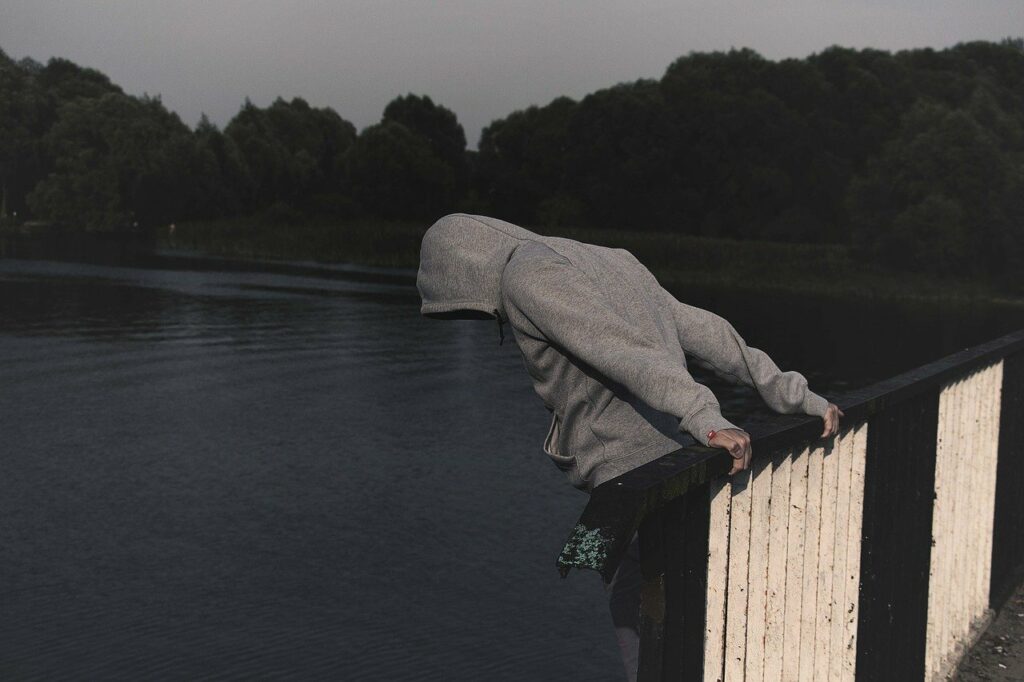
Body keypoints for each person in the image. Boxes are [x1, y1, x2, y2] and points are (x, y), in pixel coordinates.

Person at [416, 213, 843, 680]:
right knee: (684, 620)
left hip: (632, 479)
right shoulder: (606, 260)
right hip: (681, 469)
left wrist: (702, 415)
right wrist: (792, 393)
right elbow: (705, 330)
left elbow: (620, 350)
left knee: (638, 621)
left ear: (463, 266)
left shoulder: (527, 274)